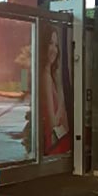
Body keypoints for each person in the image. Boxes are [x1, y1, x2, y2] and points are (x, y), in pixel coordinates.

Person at [41, 26, 71, 155]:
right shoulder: (46, 77)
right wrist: (63, 101)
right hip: (53, 140)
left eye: (56, 45)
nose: (54, 49)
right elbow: (53, 121)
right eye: (50, 44)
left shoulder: (49, 75)